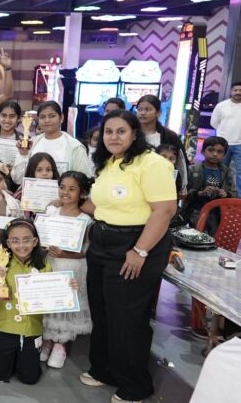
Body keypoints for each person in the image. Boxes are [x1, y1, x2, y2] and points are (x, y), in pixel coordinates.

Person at [78, 109, 177, 403]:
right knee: (102, 312)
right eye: (108, 132)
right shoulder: (108, 163)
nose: (113, 137)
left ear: (135, 134)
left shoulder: (152, 163)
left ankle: (135, 385)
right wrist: (66, 201)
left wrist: (139, 250)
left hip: (135, 244)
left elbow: (164, 210)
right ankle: (105, 370)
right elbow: (102, 207)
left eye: (121, 131)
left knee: (127, 318)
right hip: (102, 243)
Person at [0, 219, 76, 384]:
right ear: (8, 243)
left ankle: (21, 359)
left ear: (35, 242)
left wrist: (67, 287)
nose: (21, 245)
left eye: (26, 240)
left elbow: (52, 296)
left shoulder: (44, 265)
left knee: (29, 378)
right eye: (15, 240)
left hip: (31, 328)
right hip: (4, 326)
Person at [40, 171, 93, 369]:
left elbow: (86, 251)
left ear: (82, 193)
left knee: (65, 305)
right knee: (49, 304)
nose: (65, 192)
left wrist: (65, 254)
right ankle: (46, 339)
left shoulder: (85, 219)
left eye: (72, 189)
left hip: (72, 267)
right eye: (62, 187)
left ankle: (61, 344)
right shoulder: (51, 211)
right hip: (50, 264)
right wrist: (45, 249)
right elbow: (40, 238)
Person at [12, 101, 93, 185]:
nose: (47, 120)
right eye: (42, 117)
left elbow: (85, 181)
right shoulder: (32, 143)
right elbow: (18, 180)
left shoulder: (75, 147)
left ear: (61, 118)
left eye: (52, 116)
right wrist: (23, 155)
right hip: (33, 193)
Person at [181, 136, 236, 228]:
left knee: (214, 235)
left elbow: (234, 193)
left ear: (224, 155)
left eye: (219, 151)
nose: (215, 154)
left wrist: (226, 194)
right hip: (196, 211)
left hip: (218, 213)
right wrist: (199, 193)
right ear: (202, 151)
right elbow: (184, 192)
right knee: (196, 234)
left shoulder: (227, 172)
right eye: (211, 150)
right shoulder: (192, 170)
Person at [136, 95, 188, 190]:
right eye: (139, 109)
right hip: (136, 182)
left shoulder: (170, 135)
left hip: (162, 183)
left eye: (147, 109)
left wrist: (183, 187)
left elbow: (182, 163)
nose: (142, 113)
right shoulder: (131, 134)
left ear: (158, 113)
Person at [210, 82, 241, 194]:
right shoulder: (221, 106)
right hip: (222, 144)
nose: (238, 92)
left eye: (240, 90)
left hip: (240, 144)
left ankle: (239, 197)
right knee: (220, 170)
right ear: (231, 92)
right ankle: (218, 194)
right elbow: (214, 122)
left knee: (240, 172)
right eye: (235, 90)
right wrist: (223, 133)